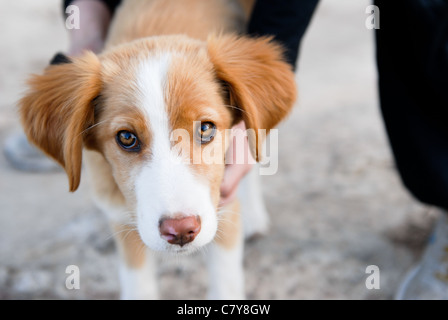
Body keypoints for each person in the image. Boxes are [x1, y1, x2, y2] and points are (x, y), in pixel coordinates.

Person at [5, 0, 448, 299]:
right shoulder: (88, 106)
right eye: (127, 138)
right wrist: (85, 28)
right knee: (122, 206)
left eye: (204, 130)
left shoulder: (230, 83)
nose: (178, 216)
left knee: (225, 187)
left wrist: (250, 136)